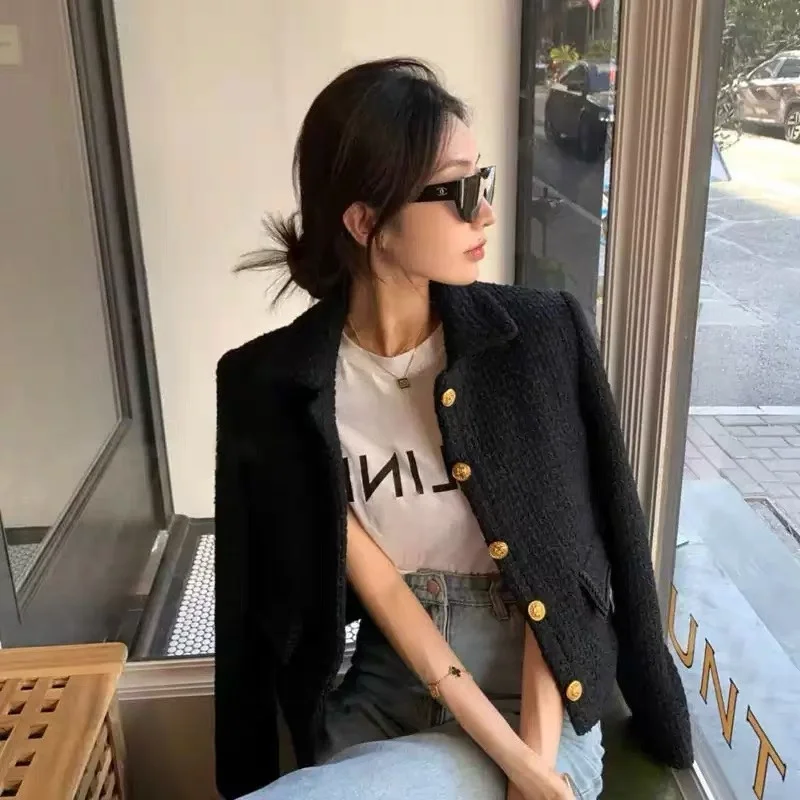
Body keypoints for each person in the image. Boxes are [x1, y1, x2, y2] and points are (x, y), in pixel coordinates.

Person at [214, 58, 692, 800]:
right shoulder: (271, 384)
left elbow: (567, 563)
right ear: (366, 222)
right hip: (382, 701)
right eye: (460, 191)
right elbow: (264, 606)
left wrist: (532, 767)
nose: (487, 214)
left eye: (484, 180)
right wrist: (240, 767)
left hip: (538, 704)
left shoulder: (536, 338)